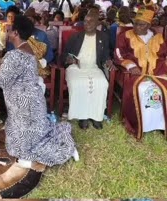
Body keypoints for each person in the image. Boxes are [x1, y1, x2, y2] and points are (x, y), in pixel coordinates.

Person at [0, 16, 79, 166]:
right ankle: (45, 146)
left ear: (16, 33)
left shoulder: (14, 55)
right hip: (32, 103)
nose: (8, 33)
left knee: (21, 149)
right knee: (19, 141)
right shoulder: (28, 49)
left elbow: (2, 80)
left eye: (10, 30)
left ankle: (66, 150)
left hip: (24, 107)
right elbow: (12, 72)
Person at [114, 7, 167, 141]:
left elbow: (164, 55)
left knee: (163, 89)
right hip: (134, 74)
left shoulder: (158, 38)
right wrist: (131, 66)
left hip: (157, 73)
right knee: (140, 89)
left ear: (149, 25)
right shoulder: (125, 36)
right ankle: (138, 124)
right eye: (135, 23)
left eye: (141, 24)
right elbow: (118, 54)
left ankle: (160, 124)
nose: (136, 26)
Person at [64, 7, 112, 128]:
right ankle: (82, 116)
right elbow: (64, 54)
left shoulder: (103, 37)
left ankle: (96, 116)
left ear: (97, 23)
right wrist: (68, 59)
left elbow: (106, 55)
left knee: (102, 83)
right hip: (76, 68)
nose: (87, 24)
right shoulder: (76, 37)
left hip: (94, 67)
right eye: (85, 21)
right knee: (78, 83)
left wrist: (108, 61)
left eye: (91, 21)